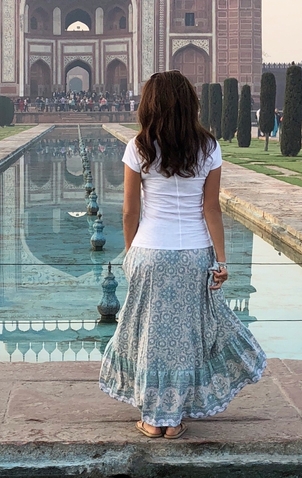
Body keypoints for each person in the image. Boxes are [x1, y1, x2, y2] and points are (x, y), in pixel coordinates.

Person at [99, 71, 266, 439]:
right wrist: (221, 260)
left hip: (149, 252)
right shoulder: (208, 147)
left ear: (149, 105)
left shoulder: (139, 147)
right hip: (194, 253)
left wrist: (131, 254)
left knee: (149, 334)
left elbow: (129, 211)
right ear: (191, 103)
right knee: (188, 335)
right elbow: (212, 209)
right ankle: (173, 419)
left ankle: (153, 418)